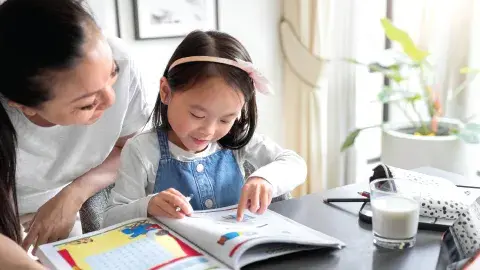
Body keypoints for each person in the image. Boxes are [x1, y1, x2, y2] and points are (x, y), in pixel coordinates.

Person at [103, 30, 307, 227]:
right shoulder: (142, 150)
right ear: (166, 92)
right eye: (197, 115)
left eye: (226, 120)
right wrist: (147, 206)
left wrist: (265, 179)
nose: (209, 130)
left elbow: (296, 164)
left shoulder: (238, 141)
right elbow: (111, 218)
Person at [0, 0, 150, 253]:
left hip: (64, 211)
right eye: (87, 103)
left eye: (111, 75)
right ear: (25, 106)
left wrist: (73, 195)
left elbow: (131, 147)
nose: (110, 100)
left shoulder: (118, 58)